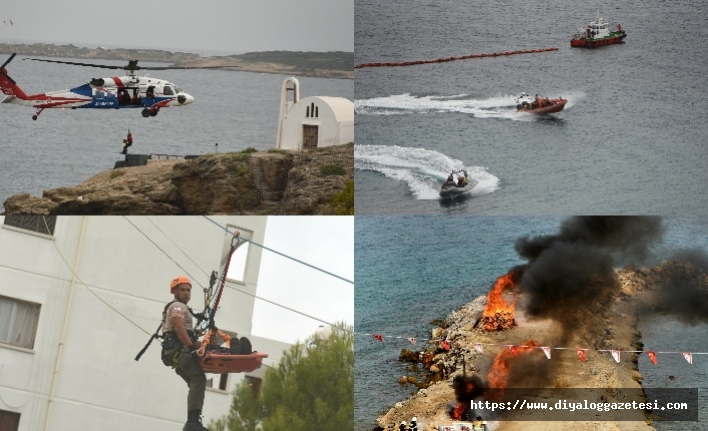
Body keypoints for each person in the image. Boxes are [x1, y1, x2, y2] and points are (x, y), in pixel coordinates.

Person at [161, 276, 208, 431]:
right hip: (180, 351)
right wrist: (192, 347)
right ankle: (192, 423)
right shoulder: (177, 306)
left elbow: (183, 330)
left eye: (188, 290)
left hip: (176, 353)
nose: (186, 293)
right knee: (198, 379)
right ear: (174, 291)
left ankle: (193, 421)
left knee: (196, 382)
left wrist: (198, 343)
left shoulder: (181, 308)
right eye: (182, 290)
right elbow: (178, 328)